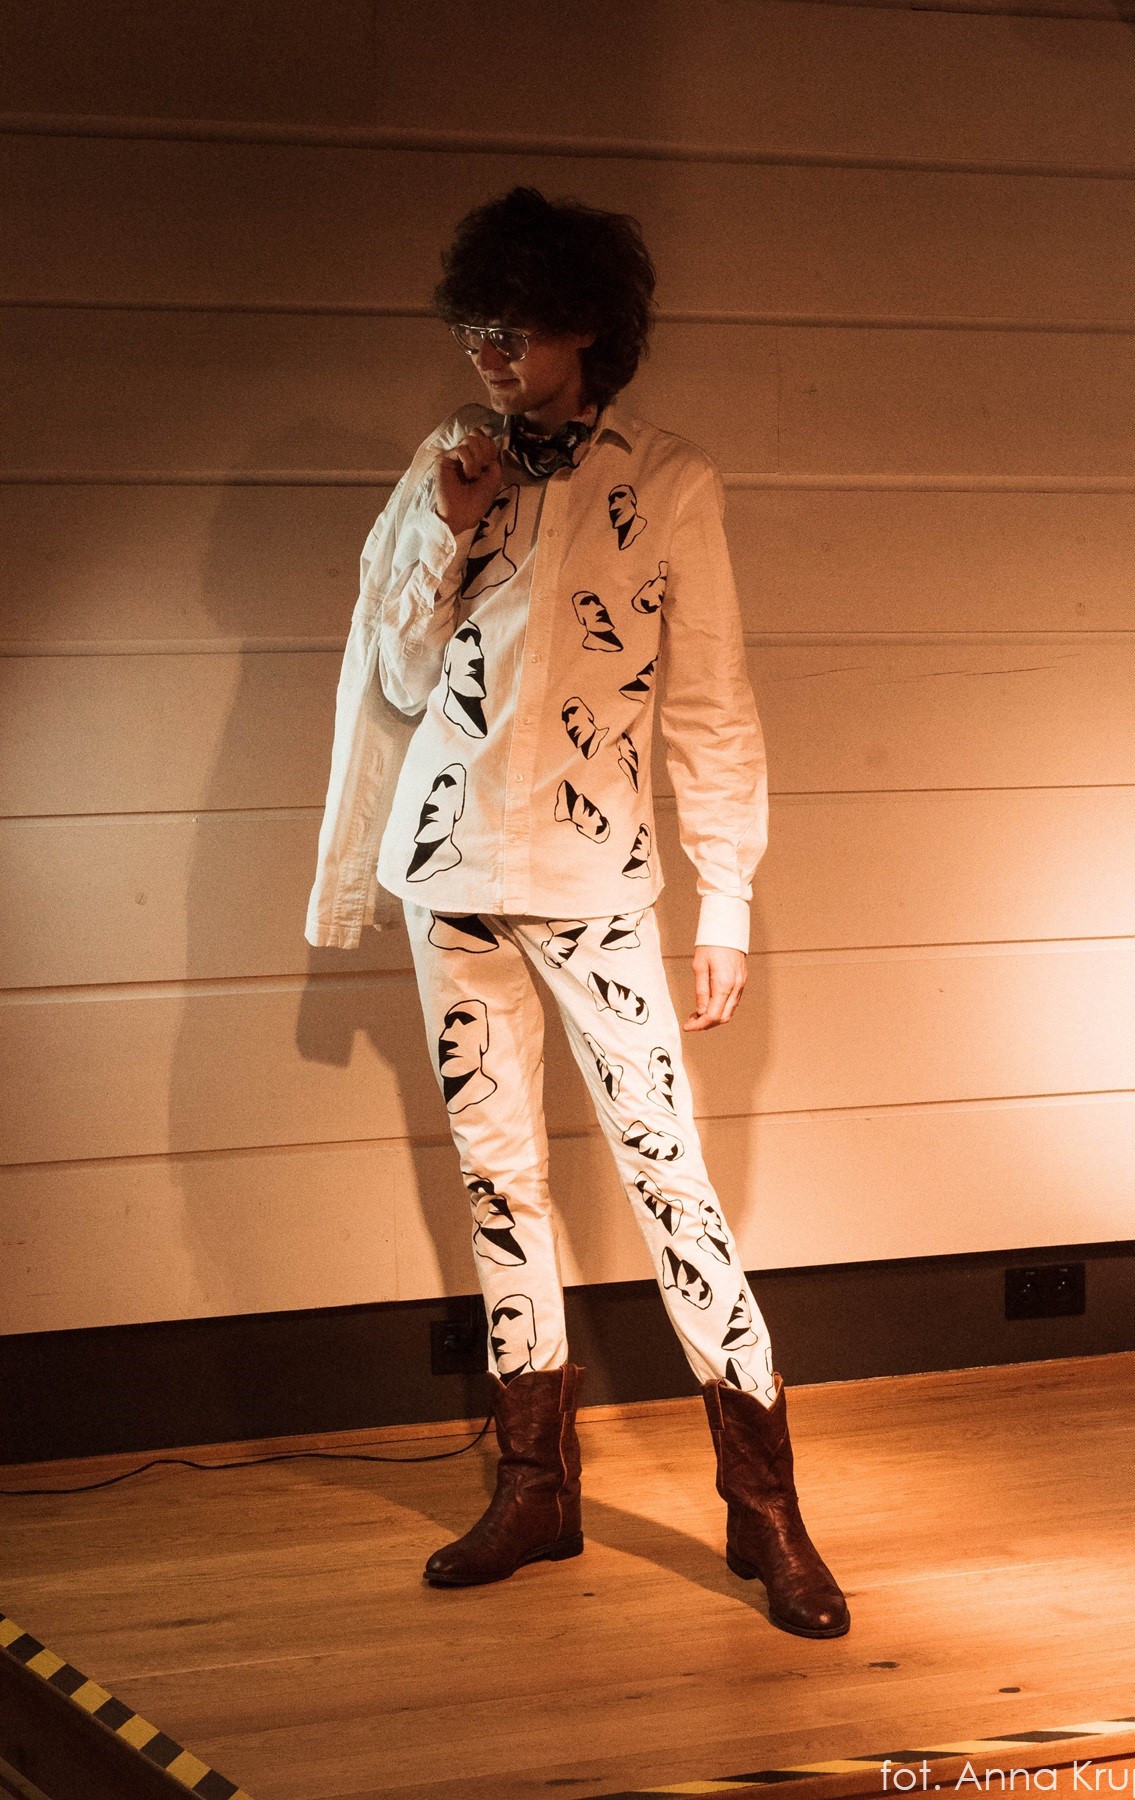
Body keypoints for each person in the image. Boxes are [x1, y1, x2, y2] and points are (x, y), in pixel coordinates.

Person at [306, 187, 849, 1638]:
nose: (489, 350)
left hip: (596, 883)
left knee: (672, 1183)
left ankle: (766, 1508)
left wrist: (726, 897)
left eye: (517, 325)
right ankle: (536, 1486)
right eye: (475, 325)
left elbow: (712, 703)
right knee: (498, 1180)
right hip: (449, 880)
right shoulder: (449, 459)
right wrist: (449, 527)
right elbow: (397, 676)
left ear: (588, 328)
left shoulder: (671, 481)